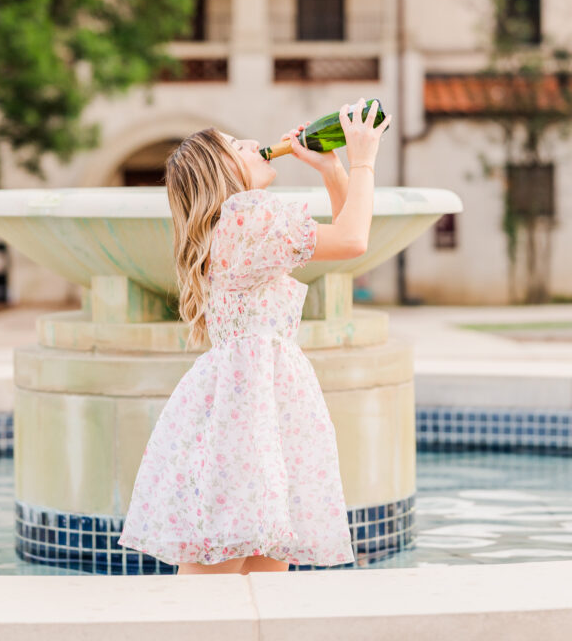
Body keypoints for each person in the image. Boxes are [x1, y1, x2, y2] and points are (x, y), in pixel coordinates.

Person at [118, 98, 392, 575]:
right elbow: (352, 239)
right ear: (221, 174)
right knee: (227, 567)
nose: (251, 143)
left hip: (255, 402)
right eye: (234, 146)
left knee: (258, 564)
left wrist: (330, 169)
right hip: (253, 407)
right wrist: (362, 159)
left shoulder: (232, 227)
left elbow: (347, 233)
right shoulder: (247, 217)